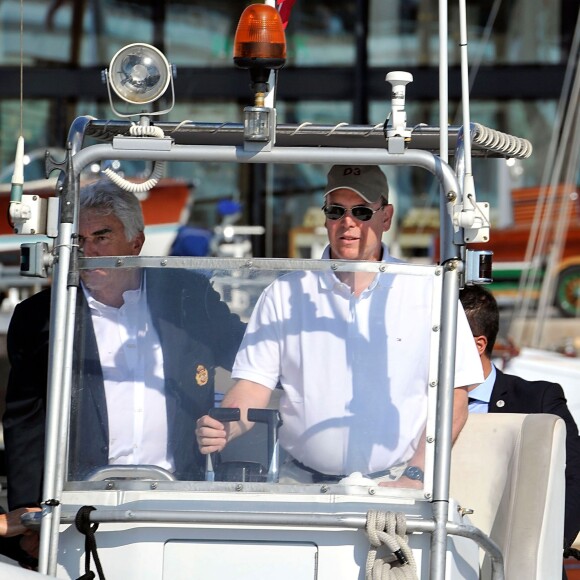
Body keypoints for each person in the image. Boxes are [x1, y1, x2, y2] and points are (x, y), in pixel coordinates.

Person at [196, 165, 483, 486]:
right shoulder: (283, 292)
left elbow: (455, 395)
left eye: (361, 211)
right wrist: (227, 426)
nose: (348, 222)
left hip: (396, 481)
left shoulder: (429, 289)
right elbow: (253, 385)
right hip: (299, 482)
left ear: (385, 217)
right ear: (325, 218)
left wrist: (416, 475)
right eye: (336, 211)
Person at [3, 179, 246, 513]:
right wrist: (29, 511)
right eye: (79, 240)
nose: (89, 251)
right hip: (79, 506)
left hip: (179, 499)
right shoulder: (40, 317)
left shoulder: (187, 295)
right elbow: (25, 422)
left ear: (137, 242)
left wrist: (235, 416)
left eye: (102, 237)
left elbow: (250, 358)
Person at [459, 284, 580, 555]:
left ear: (478, 345)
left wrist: (542, 551)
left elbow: (574, 477)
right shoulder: (418, 406)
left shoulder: (537, 400)